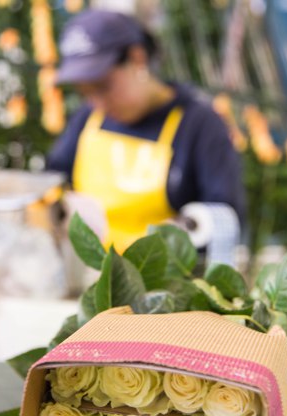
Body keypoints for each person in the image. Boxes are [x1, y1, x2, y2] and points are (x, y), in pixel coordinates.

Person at [46, 9, 245, 256]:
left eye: (103, 86)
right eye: (85, 92)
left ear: (137, 59)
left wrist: (180, 233)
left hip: (169, 287)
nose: (96, 101)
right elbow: (52, 180)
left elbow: (224, 218)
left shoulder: (200, 124)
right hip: (91, 279)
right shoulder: (87, 118)